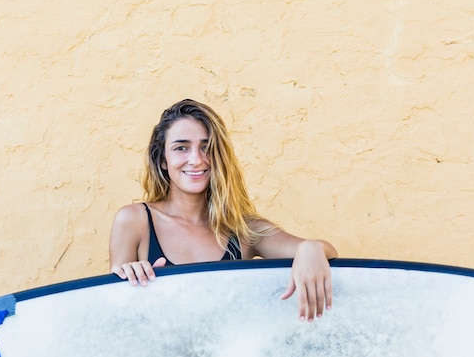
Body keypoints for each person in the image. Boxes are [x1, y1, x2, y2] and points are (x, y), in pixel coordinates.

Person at [109, 99, 338, 322]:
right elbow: (115, 315)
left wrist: (310, 248)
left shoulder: (243, 229)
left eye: (206, 148)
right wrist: (132, 277)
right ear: (163, 160)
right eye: (181, 148)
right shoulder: (134, 221)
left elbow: (322, 250)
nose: (196, 160)